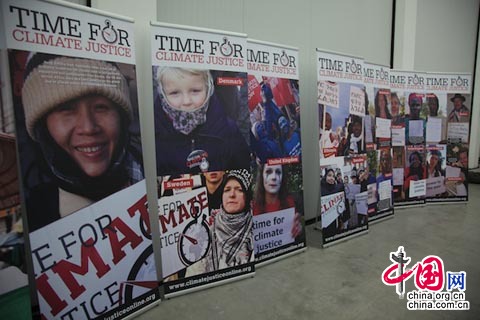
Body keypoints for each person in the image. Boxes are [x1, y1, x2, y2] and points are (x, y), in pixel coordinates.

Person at [21, 53, 143, 231]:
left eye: (101, 107)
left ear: (121, 116)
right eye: (66, 109)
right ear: (43, 125)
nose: (88, 127)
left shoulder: (154, 172)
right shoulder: (36, 216)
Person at [154, 67, 250, 175]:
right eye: (175, 93)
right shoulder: (152, 136)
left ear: (208, 89)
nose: (186, 101)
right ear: (163, 94)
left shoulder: (228, 130)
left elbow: (243, 169)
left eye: (195, 91)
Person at [187, 169, 254, 273]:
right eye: (227, 190)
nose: (232, 194)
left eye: (239, 190)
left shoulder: (257, 228)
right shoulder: (204, 235)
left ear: (247, 196)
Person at [253, 163, 303, 238]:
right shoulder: (252, 207)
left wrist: (298, 229)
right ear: (261, 176)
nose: (274, 177)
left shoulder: (290, 202)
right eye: (268, 172)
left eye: (278, 172)